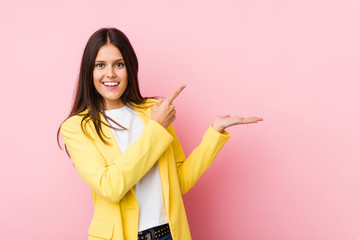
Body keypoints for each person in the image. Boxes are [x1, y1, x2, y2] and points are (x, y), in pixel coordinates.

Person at [58, 27, 263, 240]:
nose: (110, 73)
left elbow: (180, 181)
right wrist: (155, 129)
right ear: (89, 72)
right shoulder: (77, 127)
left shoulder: (154, 111)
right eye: (100, 65)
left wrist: (215, 132)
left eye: (119, 64)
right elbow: (111, 187)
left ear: (130, 68)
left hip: (169, 233)